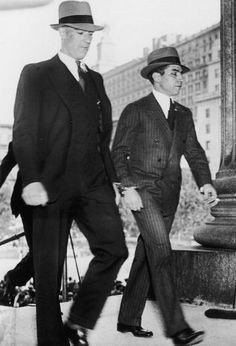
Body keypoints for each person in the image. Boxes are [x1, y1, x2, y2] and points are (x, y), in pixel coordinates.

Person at [12, 1, 128, 345]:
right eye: (80, 33)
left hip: (93, 183)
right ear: (62, 33)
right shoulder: (37, 73)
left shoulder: (95, 79)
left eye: (90, 34)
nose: (87, 40)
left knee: (114, 248)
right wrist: (31, 178)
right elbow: (24, 130)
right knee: (48, 273)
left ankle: (78, 322)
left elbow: (101, 134)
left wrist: (114, 182)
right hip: (49, 184)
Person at [112, 46, 218, 346]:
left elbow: (194, 152)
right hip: (142, 192)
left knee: (147, 255)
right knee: (161, 252)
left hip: (169, 195)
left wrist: (205, 182)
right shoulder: (136, 110)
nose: (180, 79)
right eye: (174, 73)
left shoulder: (183, 114)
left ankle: (127, 319)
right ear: (156, 77)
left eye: (181, 74)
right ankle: (177, 329)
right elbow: (117, 153)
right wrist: (127, 189)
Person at [0, 142, 34, 296]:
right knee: (43, 253)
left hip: (54, 200)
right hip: (29, 201)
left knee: (45, 253)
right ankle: (47, 307)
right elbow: (6, 165)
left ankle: (13, 277)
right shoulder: (23, 133)